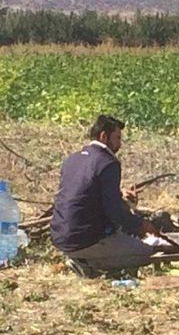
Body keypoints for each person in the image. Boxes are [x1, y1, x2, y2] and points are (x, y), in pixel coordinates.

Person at [50, 115, 158, 276]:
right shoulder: (108, 162)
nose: (120, 144)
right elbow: (114, 210)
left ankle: (82, 258)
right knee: (148, 253)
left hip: (61, 237)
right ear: (103, 136)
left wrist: (120, 193)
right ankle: (89, 264)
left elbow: (84, 191)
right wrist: (140, 224)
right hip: (88, 238)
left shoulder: (72, 159)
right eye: (117, 138)